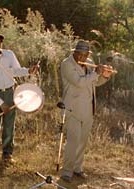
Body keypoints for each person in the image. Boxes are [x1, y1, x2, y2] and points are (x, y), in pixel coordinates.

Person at [0, 33, 39, 164]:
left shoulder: (9, 55)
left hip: (10, 93)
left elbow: (16, 71)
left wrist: (29, 71)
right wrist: (0, 103)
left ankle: (7, 154)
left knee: (9, 125)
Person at [60, 40, 113, 182]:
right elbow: (79, 82)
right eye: (80, 55)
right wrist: (96, 73)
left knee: (82, 141)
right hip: (72, 108)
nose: (83, 58)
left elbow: (94, 82)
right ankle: (66, 172)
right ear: (74, 52)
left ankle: (77, 169)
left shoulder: (89, 62)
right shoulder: (66, 64)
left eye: (85, 55)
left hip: (88, 109)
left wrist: (105, 76)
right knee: (73, 141)